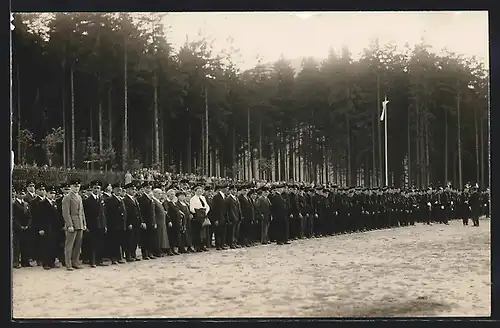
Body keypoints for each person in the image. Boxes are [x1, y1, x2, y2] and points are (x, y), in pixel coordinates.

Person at [61, 178, 87, 271]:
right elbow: (66, 213)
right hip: (72, 224)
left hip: (79, 223)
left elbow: (82, 211)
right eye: (74, 186)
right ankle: (68, 263)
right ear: (71, 187)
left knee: (78, 245)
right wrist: (69, 225)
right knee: (69, 245)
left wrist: (84, 223)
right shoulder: (67, 197)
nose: (76, 188)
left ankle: (75, 261)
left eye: (78, 186)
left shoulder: (79, 197)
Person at [83, 180, 109, 267]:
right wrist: (85, 225)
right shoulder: (87, 200)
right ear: (91, 189)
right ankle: (93, 261)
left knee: (100, 243)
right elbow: (85, 214)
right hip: (92, 225)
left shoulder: (101, 199)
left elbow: (104, 214)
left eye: (98, 188)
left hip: (100, 224)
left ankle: (99, 260)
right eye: (95, 188)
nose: (96, 190)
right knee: (92, 243)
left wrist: (104, 225)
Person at [104, 183, 127, 264]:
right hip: (113, 224)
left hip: (121, 224)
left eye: (120, 190)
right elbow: (108, 213)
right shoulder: (109, 200)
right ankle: (113, 258)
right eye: (117, 189)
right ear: (113, 190)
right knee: (113, 242)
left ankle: (118, 257)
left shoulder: (121, 199)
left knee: (120, 241)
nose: (119, 191)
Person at [12, 186, 32, 268]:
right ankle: (16, 262)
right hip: (17, 228)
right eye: (20, 193)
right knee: (17, 246)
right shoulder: (13, 204)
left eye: (23, 193)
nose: (22, 194)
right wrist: (20, 226)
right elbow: (13, 217)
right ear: (17, 194)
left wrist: (28, 225)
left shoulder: (26, 204)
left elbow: (30, 216)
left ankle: (25, 261)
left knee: (25, 245)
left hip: (26, 227)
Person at [137, 182, 158, 259]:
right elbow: (141, 212)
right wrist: (142, 221)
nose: (148, 189)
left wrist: (154, 221)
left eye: (149, 188)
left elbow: (153, 212)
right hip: (146, 221)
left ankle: (150, 252)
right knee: (145, 238)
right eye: (147, 188)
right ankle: (144, 254)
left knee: (151, 238)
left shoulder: (151, 198)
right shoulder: (141, 198)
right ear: (143, 189)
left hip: (151, 220)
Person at [189, 185, 210, 252]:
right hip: (197, 215)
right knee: (198, 231)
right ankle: (197, 246)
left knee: (204, 231)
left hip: (203, 214)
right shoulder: (193, 199)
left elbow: (207, 206)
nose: (199, 192)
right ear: (195, 191)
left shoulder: (203, 198)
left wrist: (205, 212)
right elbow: (191, 208)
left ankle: (203, 245)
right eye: (198, 191)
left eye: (200, 191)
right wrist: (197, 213)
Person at [211, 185, 228, 250]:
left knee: (223, 231)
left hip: (224, 217)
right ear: (222, 189)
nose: (227, 190)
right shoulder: (216, 197)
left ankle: (222, 244)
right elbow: (214, 209)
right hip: (218, 217)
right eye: (226, 188)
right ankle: (218, 245)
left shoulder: (225, 196)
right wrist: (215, 219)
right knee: (218, 232)